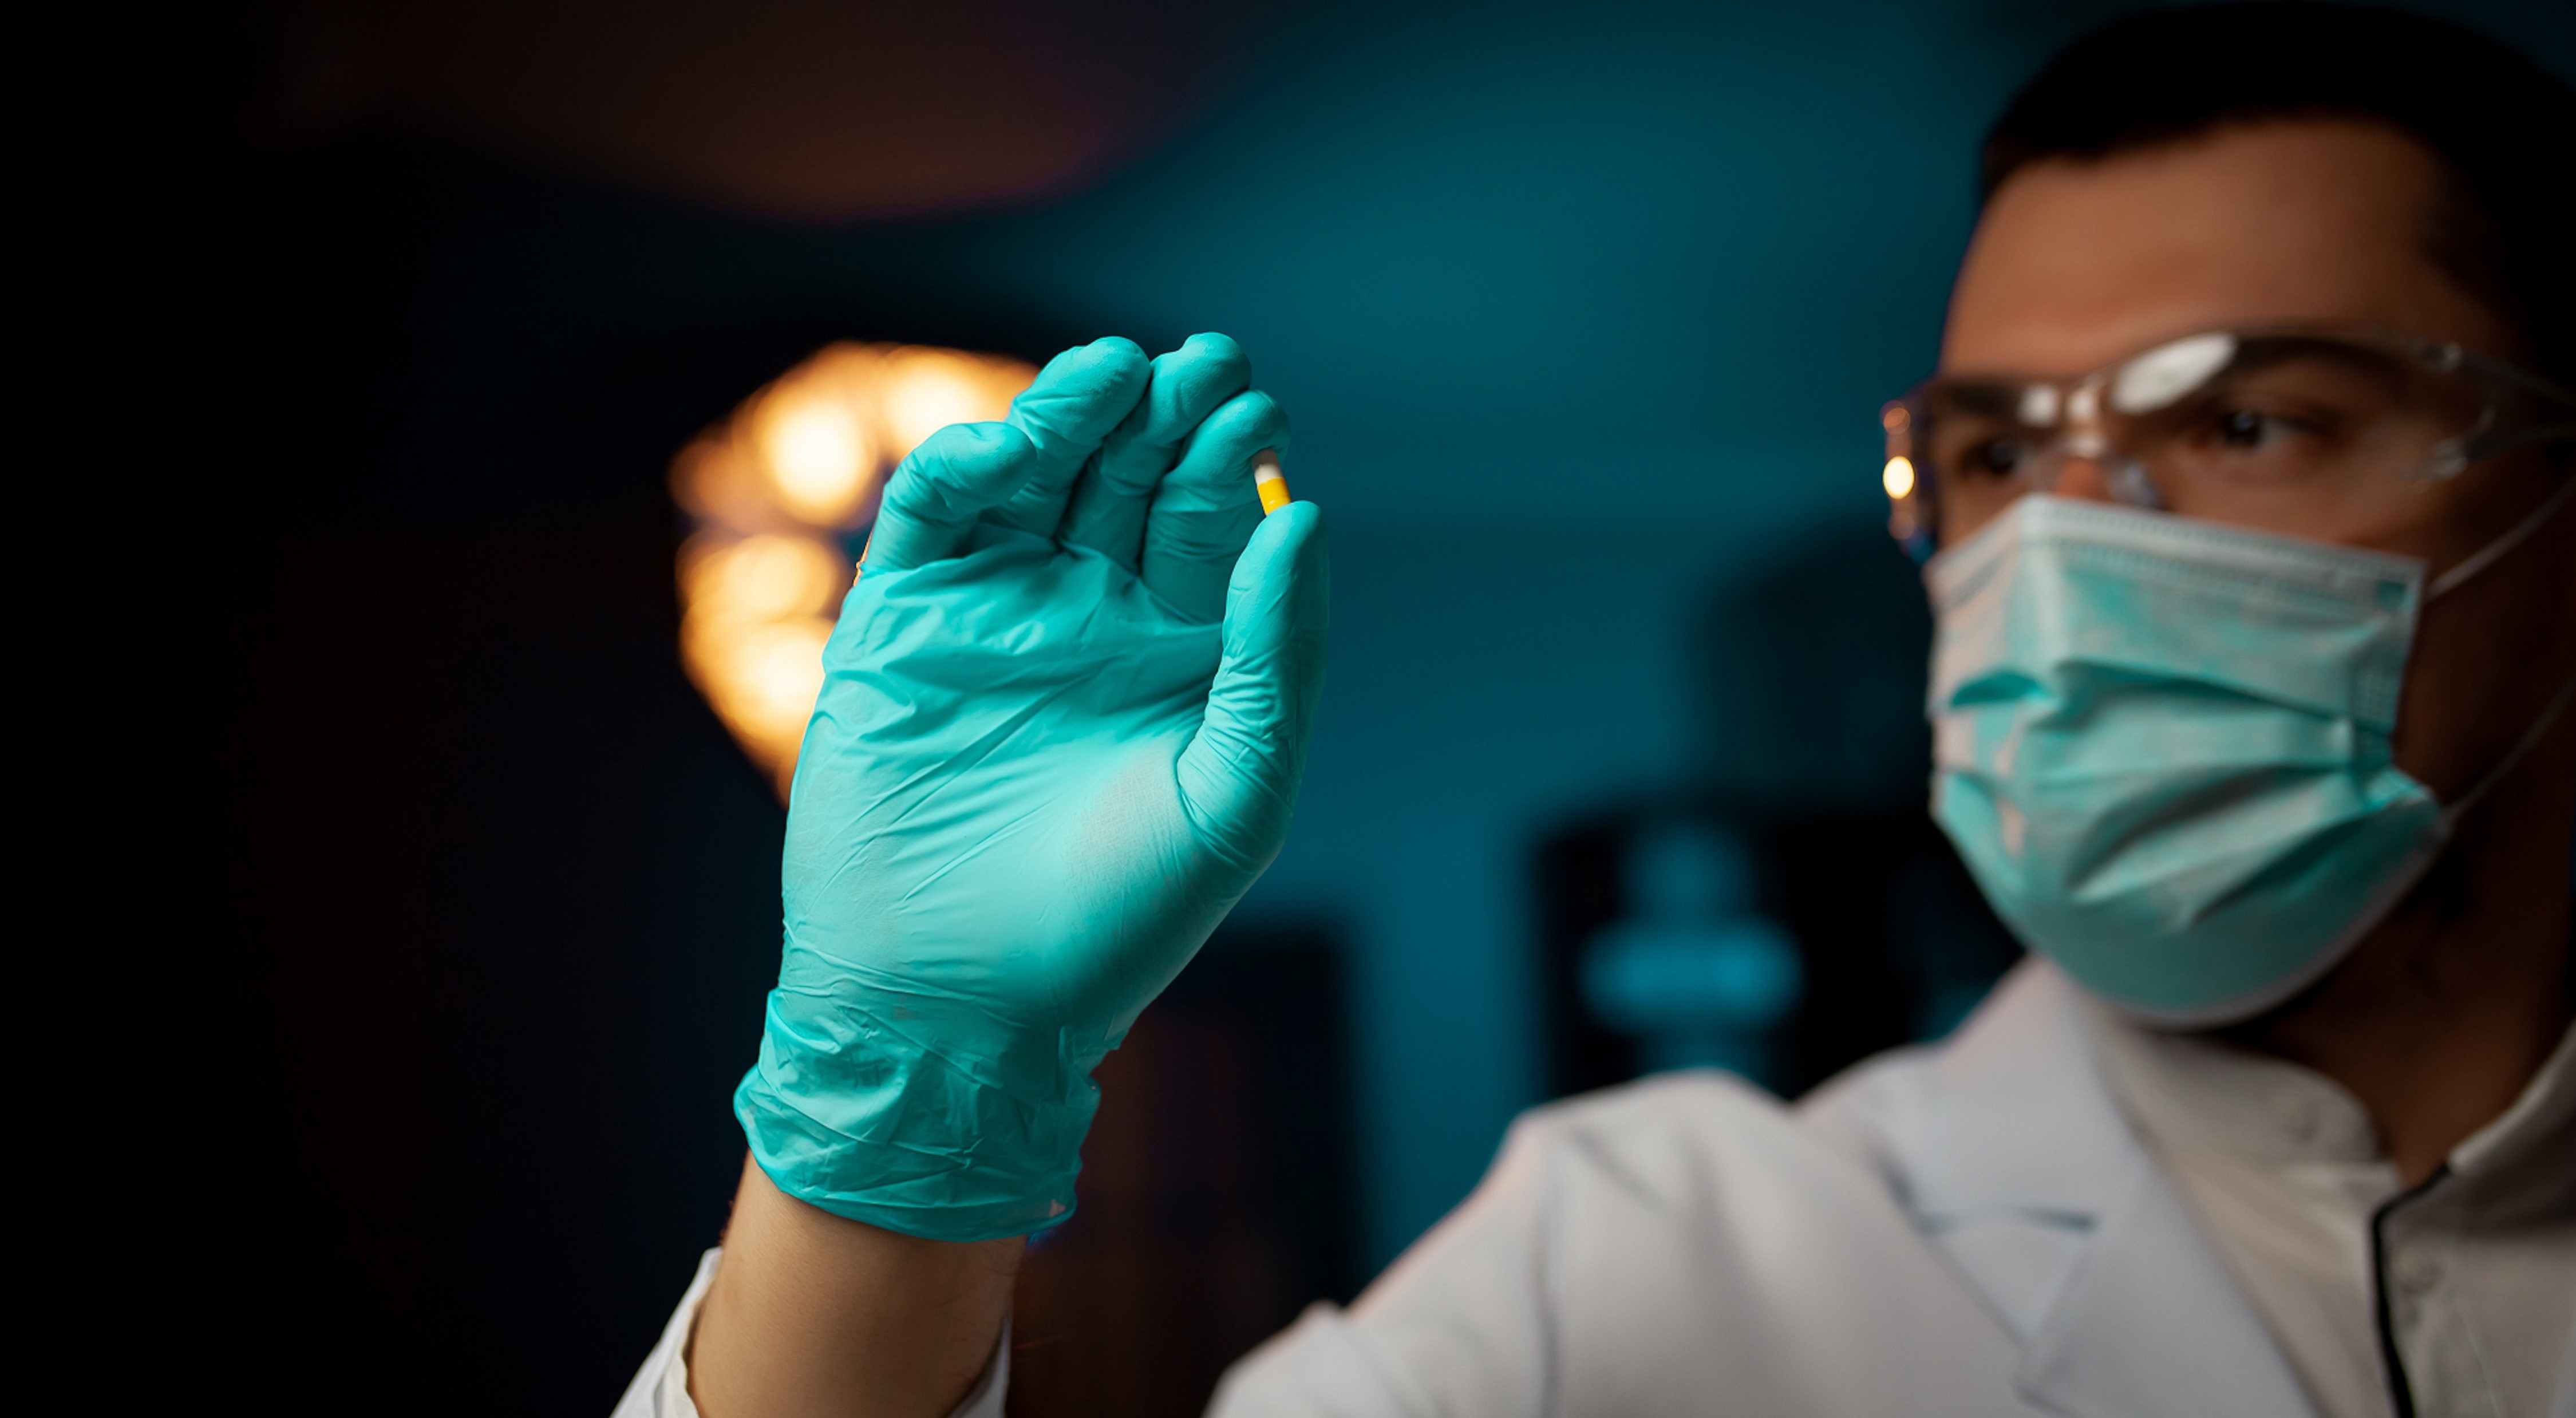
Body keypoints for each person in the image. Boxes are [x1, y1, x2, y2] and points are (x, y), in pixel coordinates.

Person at [618, 5, 2575, 1415]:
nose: (2055, 552)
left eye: (2242, 418)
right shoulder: (1635, 1271)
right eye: (1990, 453)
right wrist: (901, 1126)